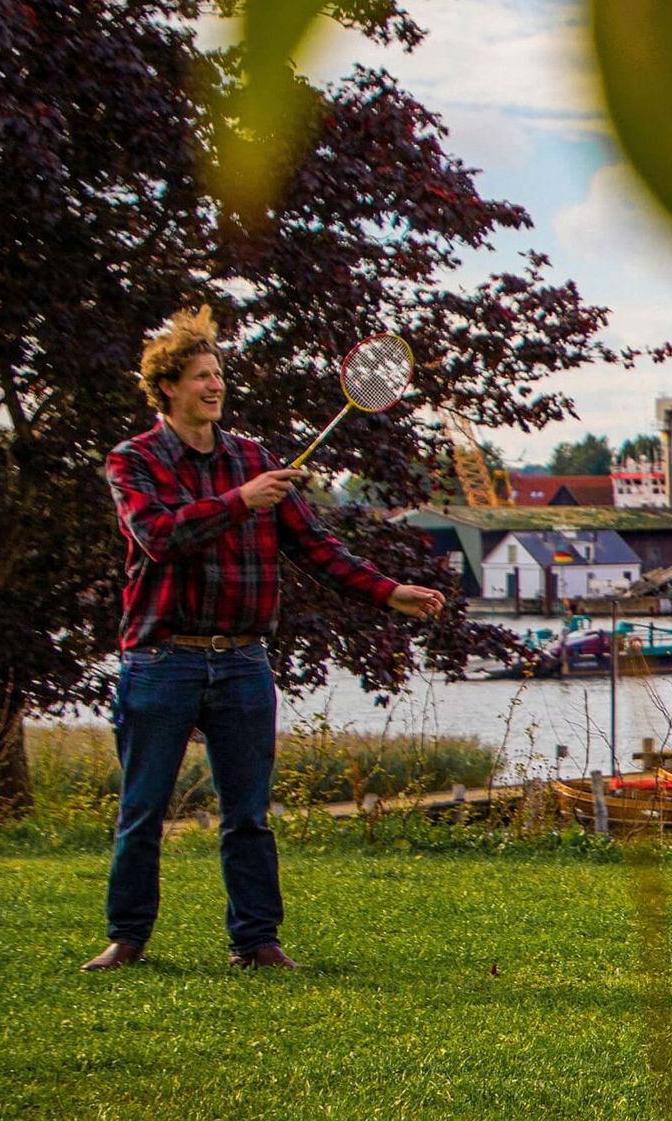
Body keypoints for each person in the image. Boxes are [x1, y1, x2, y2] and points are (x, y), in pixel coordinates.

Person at [82, 308, 444, 973]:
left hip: (243, 659)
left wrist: (388, 591)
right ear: (167, 387)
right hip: (161, 658)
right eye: (200, 376)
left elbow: (313, 544)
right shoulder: (132, 460)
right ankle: (126, 938)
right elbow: (157, 536)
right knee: (142, 811)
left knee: (247, 815)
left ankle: (257, 941)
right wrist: (238, 502)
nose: (214, 386)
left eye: (218, 374)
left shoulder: (254, 459)